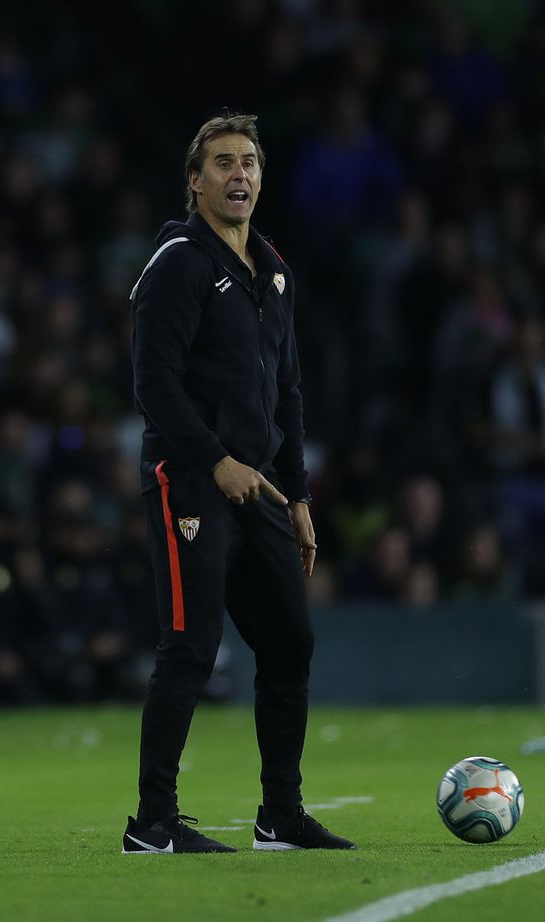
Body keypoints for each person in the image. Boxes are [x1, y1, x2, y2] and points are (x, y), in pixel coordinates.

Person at [123, 112, 353, 854]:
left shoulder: (273, 270)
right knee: (190, 646)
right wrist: (215, 459)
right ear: (195, 182)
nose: (239, 175)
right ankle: (151, 824)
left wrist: (301, 495)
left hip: (260, 490)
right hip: (190, 480)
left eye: (249, 162)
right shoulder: (177, 264)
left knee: (289, 642)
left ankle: (279, 815)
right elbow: (153, 383)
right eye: (222, 163)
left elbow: (287, 393)